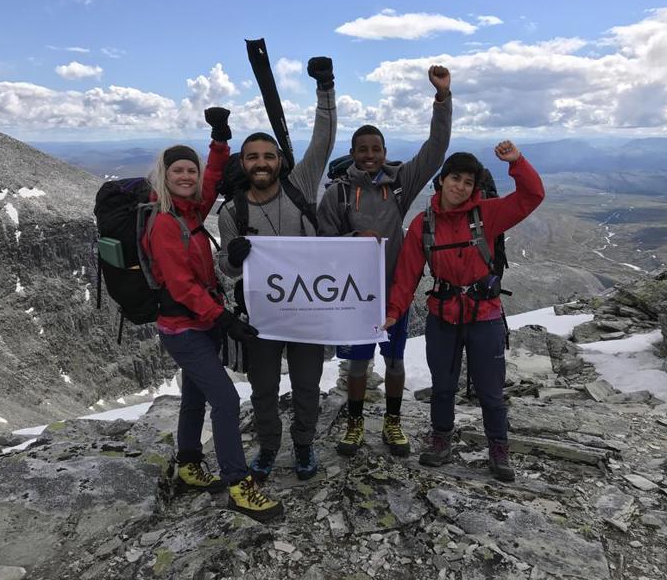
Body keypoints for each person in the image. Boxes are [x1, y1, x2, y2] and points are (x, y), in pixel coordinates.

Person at [142, 109, 282, 521]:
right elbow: (180, 286)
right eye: (178, 171)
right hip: (184, 328)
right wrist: (223, 318)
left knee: (194, 396)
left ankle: (188, 464)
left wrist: (219, 141)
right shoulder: (166, 224)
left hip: (198, 325)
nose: (186, 176)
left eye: (190, 170)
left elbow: (207, 183)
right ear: (163, 176)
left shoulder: (189, 211)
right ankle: (239, 486)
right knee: (225, 399)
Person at [383, 144, 544, 481]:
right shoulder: (422, 223)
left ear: (475, 187)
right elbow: (407, 273)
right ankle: (440, 440)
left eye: (468, 182)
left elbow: (531, 196)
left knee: (490, 390)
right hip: (442, 315)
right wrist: (394, 311)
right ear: (441, 181)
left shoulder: (487, 214)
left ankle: (498, 449)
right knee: (443, 385)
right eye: (454, 178)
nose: (460, 186)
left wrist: (517, 163)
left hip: (483, 314)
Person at [318, 65, 452, 458]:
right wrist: (350, 239)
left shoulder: (400, 184)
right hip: (355, 296)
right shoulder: (338, 195)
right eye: (363, 150)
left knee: (394, 363)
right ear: (354, 154)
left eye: (376, 149)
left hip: (395, 293)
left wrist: (442, 99)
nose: (370, 155)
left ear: (385, 152)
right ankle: (356, 424)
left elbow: (435, 151)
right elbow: (324, 240)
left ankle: (392, 424)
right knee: (358, 368)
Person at [218, 57, 337, 481]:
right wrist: (233, 255)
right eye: (253, 157)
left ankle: (303, 445)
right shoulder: (233, 210)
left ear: (279, 161)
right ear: (244, 163)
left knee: (307, 387)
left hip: (306, 315)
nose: (262, 162)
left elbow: (322, 142)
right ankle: (269, 447)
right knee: (264, 390)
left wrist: (326, 87)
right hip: (263, 320)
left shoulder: (300, 185)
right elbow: (228, 272)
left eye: (269, 155)